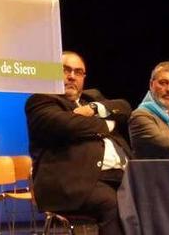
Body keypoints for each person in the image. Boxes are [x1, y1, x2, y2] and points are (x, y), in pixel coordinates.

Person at [25, 51, 132, 235]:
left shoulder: (92, 98)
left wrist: (94, 108)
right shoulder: (40, 101)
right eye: (65, 70)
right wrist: (108, 123)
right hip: (73, 183)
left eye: (78, 72)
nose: (71, 76)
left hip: (119, 176)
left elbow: (124, 108)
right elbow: (68, 125)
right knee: (113, 205)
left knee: (149, 197)